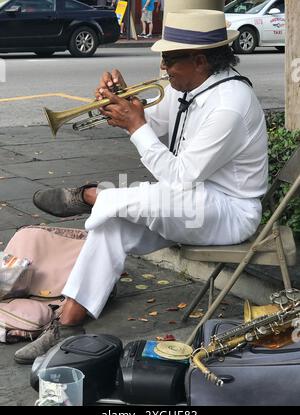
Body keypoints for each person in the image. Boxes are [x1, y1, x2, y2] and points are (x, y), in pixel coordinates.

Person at [14, 9, 268, 365]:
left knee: (151, 195)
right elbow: (156, 129)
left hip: (231, 212)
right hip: (194, 202)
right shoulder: (194, 87)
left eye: (169, 59)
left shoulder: (230, 105)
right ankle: (68, 322)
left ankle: (92, 196)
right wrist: (121, 106)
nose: (163, 68)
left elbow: (177, 176)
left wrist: (136, 127)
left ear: (199, 60)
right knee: (112, 222)